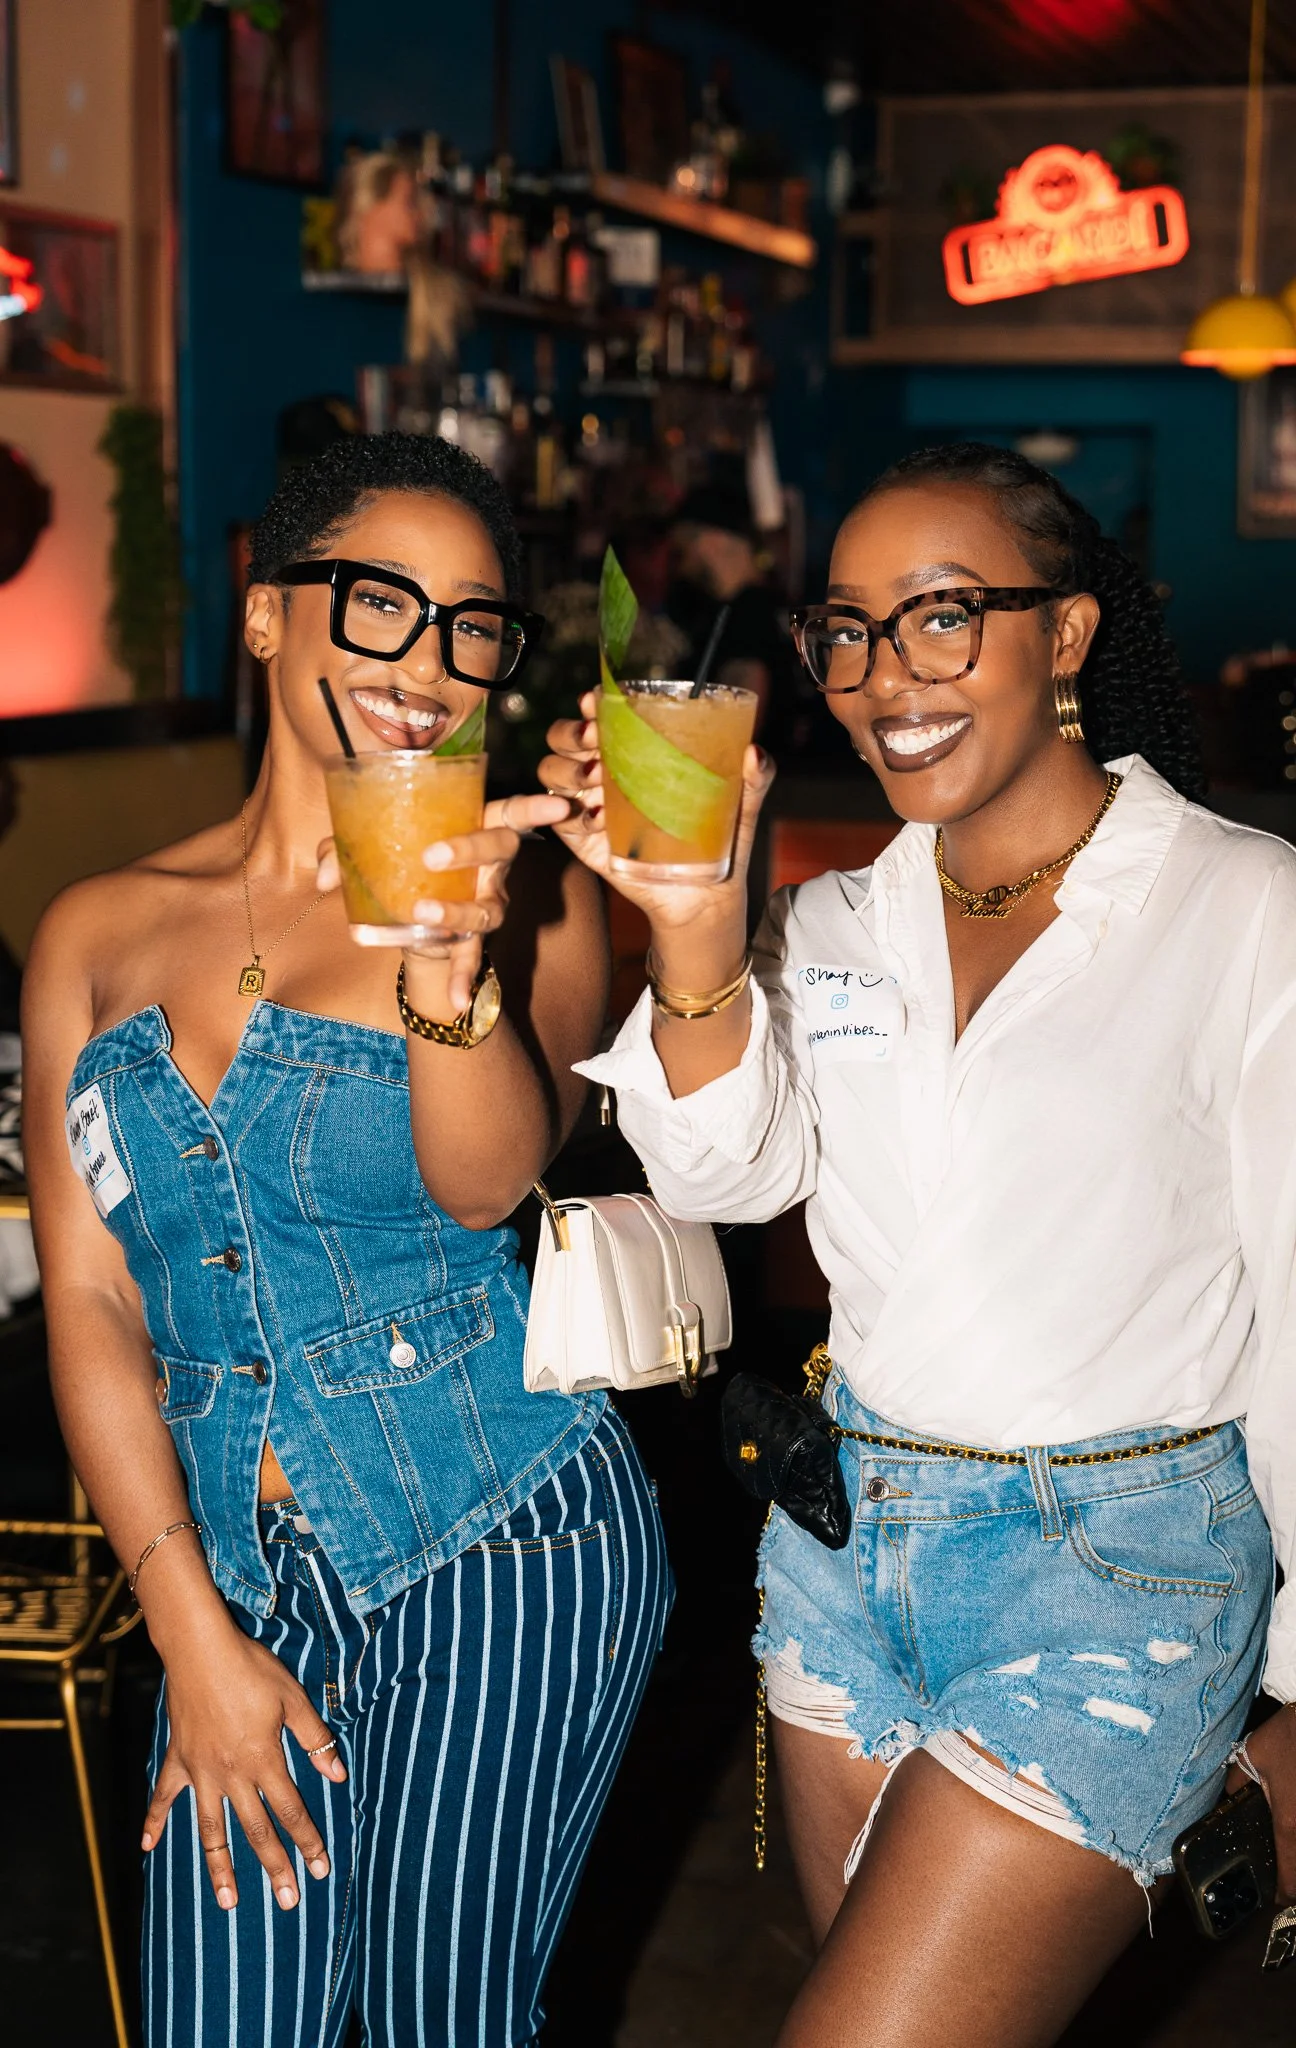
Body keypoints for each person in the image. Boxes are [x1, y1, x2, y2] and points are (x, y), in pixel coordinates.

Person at [540, 441, 1296, 2046]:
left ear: (1067, 632)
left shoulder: (1246, 910)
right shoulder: (835, 921)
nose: (888, 675)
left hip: (1117, 1580)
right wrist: (693, 922)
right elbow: (725, 1172)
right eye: (849, 630)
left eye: (943, 615)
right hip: (844, 1561)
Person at [23, 433, 671, 2048]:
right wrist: (188, 1629)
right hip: (229, 1583)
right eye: (382, 603)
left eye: (473, 626)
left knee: (443, 2020)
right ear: (266, 614)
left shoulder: (524, 897)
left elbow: (488, 1185)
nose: (428, 663)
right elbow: (91, 1298)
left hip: (507, 1545)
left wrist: (448, 969)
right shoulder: (97, 930)